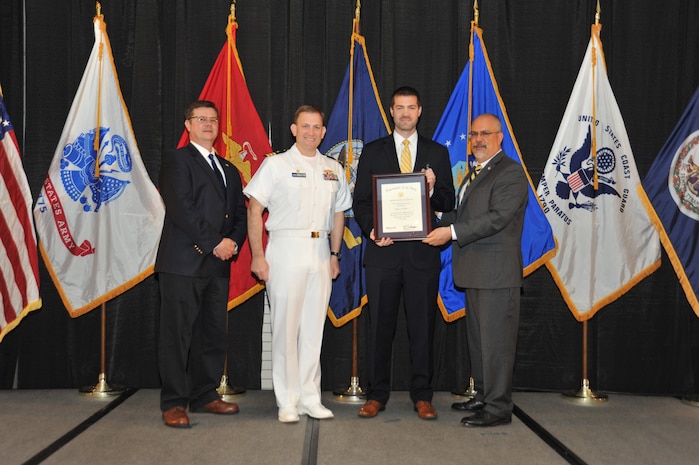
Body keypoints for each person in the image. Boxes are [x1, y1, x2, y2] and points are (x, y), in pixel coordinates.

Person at [352, 86, 455, 420]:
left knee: (422, 328)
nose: (406, 113)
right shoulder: (372, 151)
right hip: (383, 255)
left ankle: (423, 395)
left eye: (411, 107)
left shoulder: (437, 153)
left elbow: (448, 202)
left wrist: (432, 188)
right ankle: (376, 395)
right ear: (391, 111)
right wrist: (371, 230)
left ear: (420, 111)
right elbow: (361, 202)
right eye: (400, 107)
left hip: (422, 256)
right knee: (379, 326)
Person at [244, 105, 352, 423]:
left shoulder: (333, 168)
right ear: (294, 129)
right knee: (286, 329)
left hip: (320, 250)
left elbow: (338, 213)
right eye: (305, 126)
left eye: (317, 127)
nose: (311, 132)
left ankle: (310, 397)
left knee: (313, 329)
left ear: (323, 131)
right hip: (285, 247)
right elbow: (253, 210)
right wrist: (258, 256)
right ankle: (287, 400)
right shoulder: (275, 165)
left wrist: (334, 256)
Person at [423, 113, 528, 427]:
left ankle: (498, 408)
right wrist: (428, 204)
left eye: (485, 133)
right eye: (473, 134)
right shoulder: (475, 172)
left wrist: (451, 233)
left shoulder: (510, 173)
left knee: (496, 343)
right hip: (477, 273)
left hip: (497, 274)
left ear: (500, 137)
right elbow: (462, 213)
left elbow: (497, 218)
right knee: (481, 342)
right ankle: (484, 394)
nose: (478, 139)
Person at [155, 100, 247, 428]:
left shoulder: (229, 169)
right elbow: (182, 208)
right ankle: (174, 402)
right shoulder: (177, 160)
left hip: (218, 264)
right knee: (177, 335)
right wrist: (215, 243)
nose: (208, 124)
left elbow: (239, 214)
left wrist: (233, 242)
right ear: (188, 125)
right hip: (182, 262)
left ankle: (205, 394)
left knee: (212, 333)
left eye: (213, 119)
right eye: (201, 119)